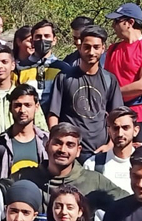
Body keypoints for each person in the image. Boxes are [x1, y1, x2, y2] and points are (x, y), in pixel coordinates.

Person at [4, 123, 128, 221]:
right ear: (47, 146)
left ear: (78, 150)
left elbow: (129, 204)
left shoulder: (93, 181)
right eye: (57, 143)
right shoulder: (26, 177)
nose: (63, 150)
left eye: (70, 145)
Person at [48, 25, 124, 162]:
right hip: (70, 153)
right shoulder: (64, 77)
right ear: (80, 47)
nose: (91, 52)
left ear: (103, 48)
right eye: (87, 47)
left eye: (96, 47)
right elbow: (53, 114)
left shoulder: (109, 80)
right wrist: (59, 144)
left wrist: (110, 145)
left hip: (100, 152)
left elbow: (117, 117)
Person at [105, 3, 142, 145]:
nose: (113, 26)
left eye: (117, 21)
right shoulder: (113, 49)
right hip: (115, 116)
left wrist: (113, 94)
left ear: (130, 22)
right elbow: (105, 81)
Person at [0, 46, 49, 139]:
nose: (0, 66)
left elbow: (42, 131)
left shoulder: (26, 97)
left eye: (4, 62)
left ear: (13, 65)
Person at [0, 84, 50, 180]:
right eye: (18, 105)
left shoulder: (48, 141)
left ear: (36, 107)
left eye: (27, 105)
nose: (22, 110)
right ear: (10, 108)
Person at [83, 106, 140, 192]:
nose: (120, 133)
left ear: (135, 131)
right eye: (115, 128)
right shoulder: (92, 165)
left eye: (125, 128)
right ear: (109, 131)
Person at [17, 20, 71, 109]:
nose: (42, 39)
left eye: (47, 36)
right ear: (32, 41)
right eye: (38, 36)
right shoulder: (19, 68)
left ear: (54, 40)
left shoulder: (64, 69)